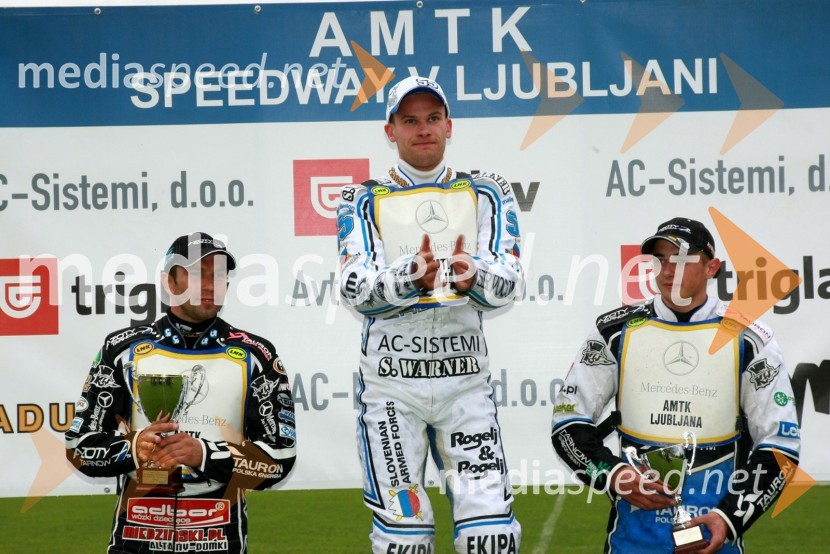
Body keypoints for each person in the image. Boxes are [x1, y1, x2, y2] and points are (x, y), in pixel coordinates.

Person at [337, 76, 524, 553]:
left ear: (449, 126)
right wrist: (410, 278)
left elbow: (509, 281)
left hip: (465, 387)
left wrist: (471, 276)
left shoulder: (486, 191)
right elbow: (354, 287)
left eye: (433, 118)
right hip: (391, 390)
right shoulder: (361, 198)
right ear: (391, 131)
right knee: (404, 537)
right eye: (410, 120)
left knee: (491, 536)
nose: (423, 129)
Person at [551, 217, 801, 553]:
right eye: (660, 260)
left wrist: (728, 518)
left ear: (712, 268)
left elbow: (781, 446)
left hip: (714, 538)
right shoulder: (614, 332)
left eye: (682, 260)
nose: (668, 271)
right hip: (632, 542)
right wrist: (613, 475)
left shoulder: (752, 340)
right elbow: (567, 423)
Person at [65, 232, 296, 554]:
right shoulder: (121, 350)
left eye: (219, 275)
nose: (210, 284)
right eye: (198, 273)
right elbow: (78, 448)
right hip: (135, 538)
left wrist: (203, 454)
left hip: (220, 540)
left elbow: (280, 459)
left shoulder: (256, 355)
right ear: (169, 282)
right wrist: (133, 448)